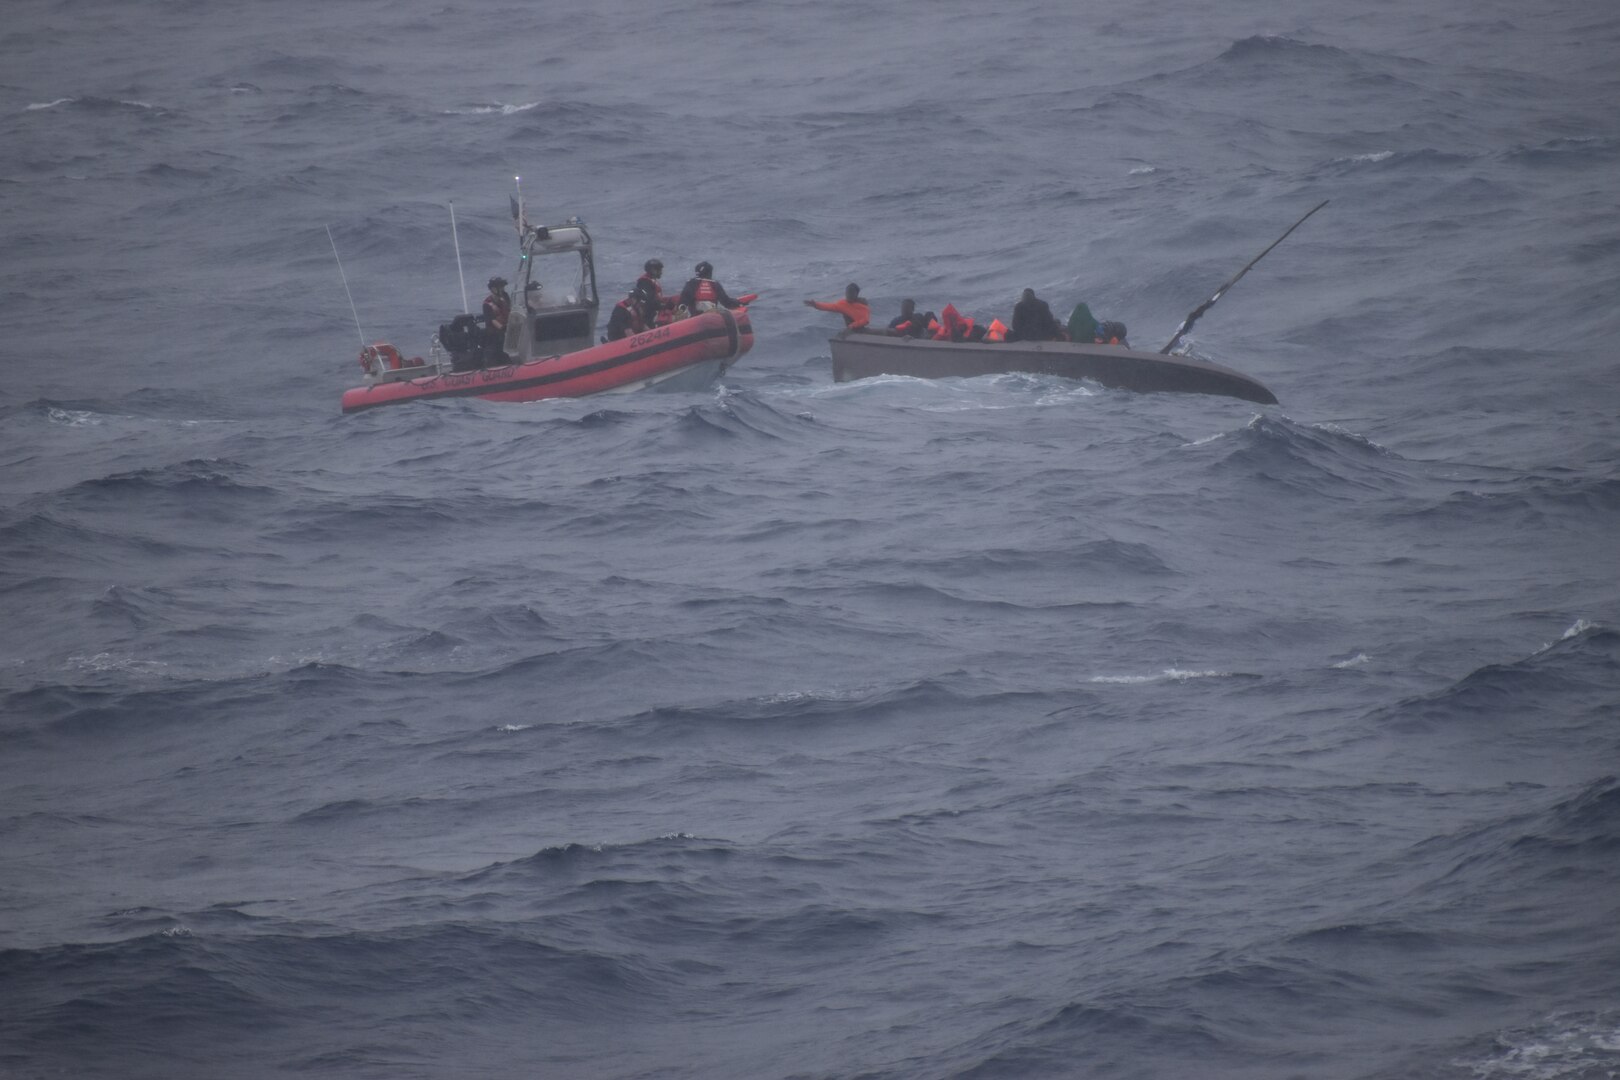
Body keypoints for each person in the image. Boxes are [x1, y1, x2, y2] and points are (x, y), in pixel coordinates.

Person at [679, 261, 745, 315]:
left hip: (695, 318)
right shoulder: (715, 284)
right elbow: (726, 302)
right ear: (710, 272)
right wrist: (738, 303)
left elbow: (682, 304)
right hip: (712, 318)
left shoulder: (691, 283)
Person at [804, 282, 871, 329]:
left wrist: (853, 325)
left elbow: (865, 320)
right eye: (847, 292)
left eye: (851, 293)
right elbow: (829, 306)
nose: (849, 295)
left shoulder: (862, 304)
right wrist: (816, 304)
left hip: (859, 329)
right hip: (851, 329)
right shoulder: (843, 304)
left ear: (856, 294)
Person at [481, 276, 511, 365]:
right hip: (494, 337)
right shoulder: (487, 304)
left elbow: (510, 311)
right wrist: (503, 328)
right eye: (500, 287)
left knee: (508, 356)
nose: (502, 289)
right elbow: (492, 320)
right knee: (495, 358)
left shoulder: (505, 298)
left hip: (506, 335)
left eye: (503, 287)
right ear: (493, 289)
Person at [633, 259, 666, 327]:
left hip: (654, 312)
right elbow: (649, 300)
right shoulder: (645, 282)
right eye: (659, 270)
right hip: (648, 315)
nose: (661, 273)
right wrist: (662, 306)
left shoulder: (651, 281)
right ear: (653, 270)